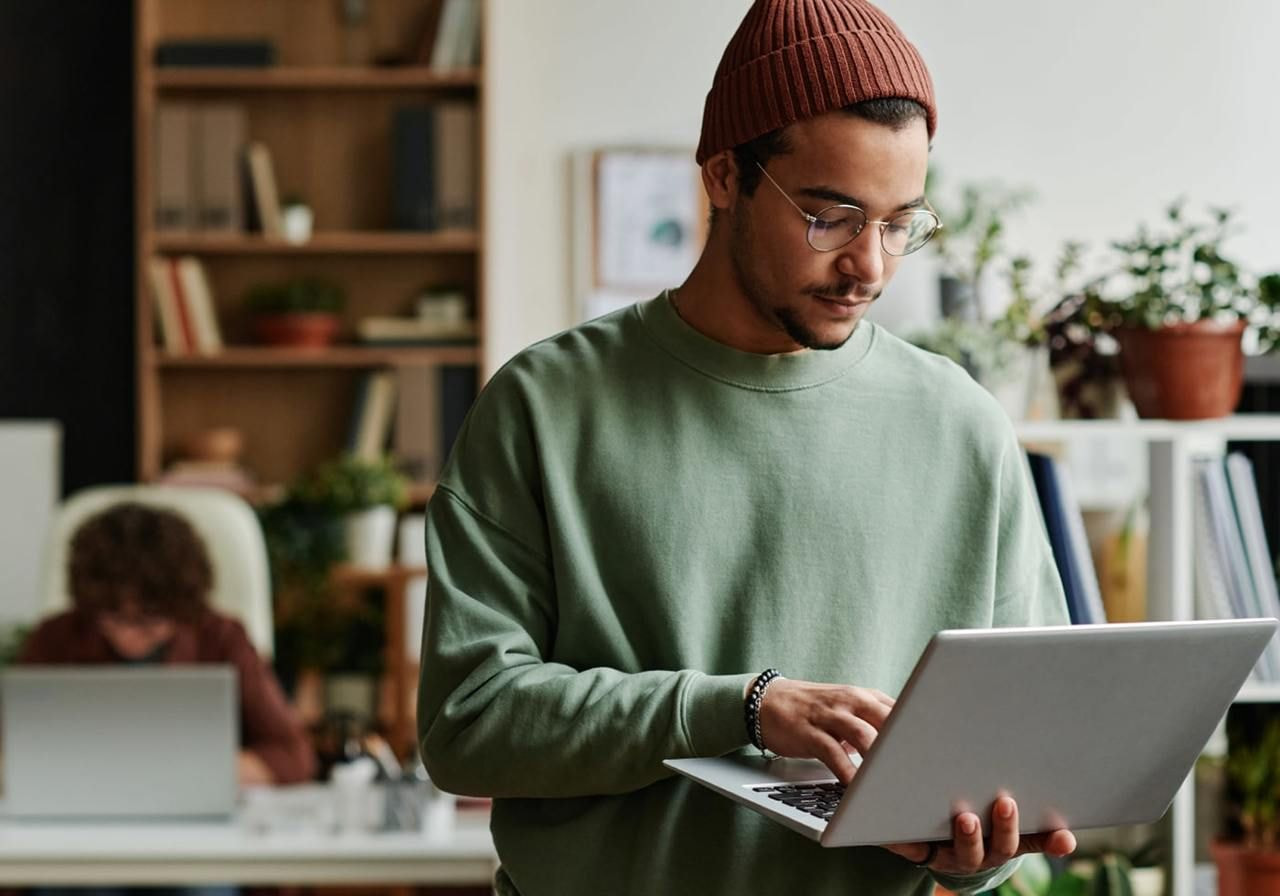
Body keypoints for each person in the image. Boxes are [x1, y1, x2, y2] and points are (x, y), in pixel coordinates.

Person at [417, 1, 1076, 893]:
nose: (870, 267)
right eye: (832, 217)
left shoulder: (961, 424)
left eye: (898, 224)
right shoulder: (542, 407)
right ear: (725, 176)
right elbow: (469, 724)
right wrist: (742, 709)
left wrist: (978, 857)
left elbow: (1020, 753)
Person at [18, 501, 316, 789]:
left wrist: (183, 773)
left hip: (194, 823)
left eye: (149, 622)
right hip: (77, 821)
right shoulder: (56, 637)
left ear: (182, 609)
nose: (129, 635)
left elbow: (294, 757)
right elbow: (12, 747)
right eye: (114, 618)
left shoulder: (222, 638)